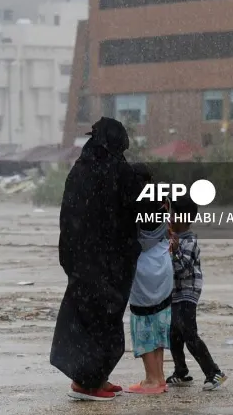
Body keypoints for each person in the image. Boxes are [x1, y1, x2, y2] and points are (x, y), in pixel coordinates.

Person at [50, 117, 145, 401]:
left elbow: (68, 218)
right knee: (104, 321)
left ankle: (96, 378)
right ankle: (87, 383)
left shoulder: (80, 170)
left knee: (88, 319)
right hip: (108, 262)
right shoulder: (117, 170)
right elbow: (136, 208)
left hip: (84, 260)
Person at [166, 195, 227, 391]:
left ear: (183, 219)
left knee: (189, 335)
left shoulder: (189, 241)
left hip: (187, 293)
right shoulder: (171, 238)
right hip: (174, 294)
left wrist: (174, 251)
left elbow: (183, 269)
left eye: (172, 214)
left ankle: (214, 372)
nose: (169, 218)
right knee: (173, 335)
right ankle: (181, 372)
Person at [125, 162, 173, 395]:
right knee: (159, 322)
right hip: (163, 267)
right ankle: (160, 377)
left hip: (143, 272)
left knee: (143, 324)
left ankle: (151, 380)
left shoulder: (133, 204)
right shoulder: (161, 200)